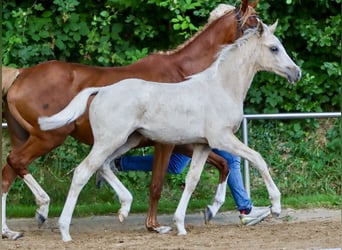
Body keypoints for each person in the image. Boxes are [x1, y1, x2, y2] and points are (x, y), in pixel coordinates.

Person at [97, 149, 271, 226]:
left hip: (205, 126)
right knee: (176, 165)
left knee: (229, 159)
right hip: (199, 127)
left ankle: (246, 210)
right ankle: (116, 163)